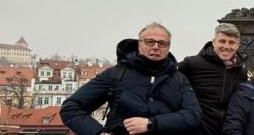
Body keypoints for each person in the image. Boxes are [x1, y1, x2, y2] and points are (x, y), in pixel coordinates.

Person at [61, 22, 201, 135]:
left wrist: (152, 123)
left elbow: (193, 115)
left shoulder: (178, 78)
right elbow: (70, 108)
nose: (156, 47)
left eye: (162, 43)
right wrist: (98, 132)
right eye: (150, 41)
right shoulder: (116, 73)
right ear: (139, 44)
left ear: (168, 47)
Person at [178, 23, 247, 135]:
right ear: (214, 42)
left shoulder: (241, 71)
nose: (226, 46)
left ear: (238, 45)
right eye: (222, 41)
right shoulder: (192, 64)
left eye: (231, 42)